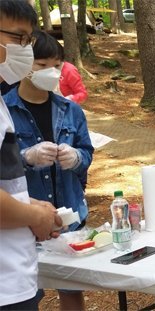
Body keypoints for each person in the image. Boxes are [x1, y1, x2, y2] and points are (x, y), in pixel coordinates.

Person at [5, 30, 94, 311]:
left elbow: (87, 153)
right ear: (25, 65)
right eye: (42, 65)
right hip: (22, 218)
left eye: (57, 65)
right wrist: (26, 157)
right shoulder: (5, 109)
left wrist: (76, 157)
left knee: (71, 287)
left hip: (69, 214)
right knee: (30, 292)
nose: (51, 72)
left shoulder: (70, 110)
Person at [0, 2, 62, 310]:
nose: (24, 49)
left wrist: (31, 205)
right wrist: (34, 216)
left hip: (14, 276)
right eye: (18, 37)